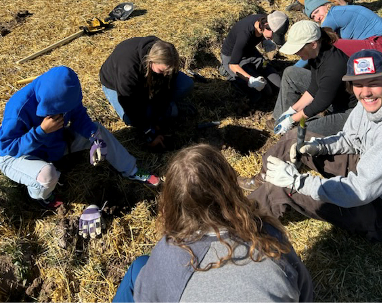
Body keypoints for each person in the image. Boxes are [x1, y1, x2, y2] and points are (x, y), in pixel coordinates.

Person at [113, 143, 313, 303]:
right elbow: (304, 292)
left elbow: (150, 296)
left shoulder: (169, 250)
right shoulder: (267, 235)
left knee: (140, 267)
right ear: (230, 188)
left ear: (173, 202)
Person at [242, 50, 382, 244]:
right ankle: (262, 181)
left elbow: (360, 190)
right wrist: (318, 146)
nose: (366, 91)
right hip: (370, 173)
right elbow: (350, 139)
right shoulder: (371, 102)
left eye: (373, 82)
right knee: (295, 139)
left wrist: (298, 182)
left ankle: (238, 225)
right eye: (358, 84)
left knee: (285, 188)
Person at [0, 67, 159, 209]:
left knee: (98, 130)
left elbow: (79, 117)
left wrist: (94, 139)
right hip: (16, 155)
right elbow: (6, 148)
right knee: (47, 175)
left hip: (53, 142)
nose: (60, 114)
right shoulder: (18, 109)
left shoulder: (66, 93)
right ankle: (42, 196)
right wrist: (41, 131)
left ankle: (131, 169)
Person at [266, 20, 356, 139]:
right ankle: (281, 122)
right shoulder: (316, 55)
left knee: (302, 132)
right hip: (331, 98)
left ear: (313, 44)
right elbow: (314, 88)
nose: (296, 53)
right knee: (290, 72)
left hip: (349, 111)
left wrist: (292, 119)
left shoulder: (334, 67)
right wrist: (292, 110)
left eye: (299, 48)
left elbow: (320, 103)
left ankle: (290, 132)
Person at [100, 36, 194, 150]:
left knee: (186, 84)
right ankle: (171, 109)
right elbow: (129, 103)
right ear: (151, 61)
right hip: (115, 84)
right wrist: (149, 131)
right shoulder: (128, 68)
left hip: (145, 79)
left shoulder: (168, 58)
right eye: (162, 71)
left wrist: (159, 113)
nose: (165, 75)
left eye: (168, 72)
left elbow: (166, 87)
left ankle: (165, 110)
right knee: (131, 118)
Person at [304, 0, 382, 65]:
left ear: (326, 5)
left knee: (326, 44)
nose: (317, 17)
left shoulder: (332, 15)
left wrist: (298, 64)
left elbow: (316, 44)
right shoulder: (340, 11)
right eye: (313, 17)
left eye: (317, 12)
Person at [220, 11, 289, 101]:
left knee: (279, 86)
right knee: (261, 94)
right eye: (273, 36)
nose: (272, 39)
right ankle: (227, 72)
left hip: (250, 51)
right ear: (266, 25)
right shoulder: (244, 34)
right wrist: (251, 80)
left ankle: (257, 71)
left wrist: (266, 41)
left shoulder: (266, 20)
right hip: (232, 58)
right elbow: (233, 64)